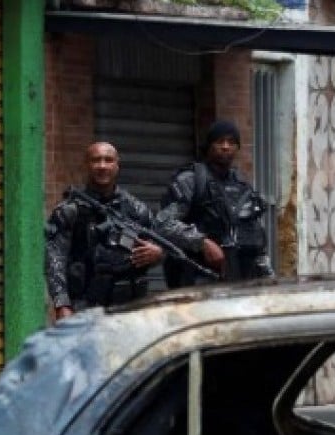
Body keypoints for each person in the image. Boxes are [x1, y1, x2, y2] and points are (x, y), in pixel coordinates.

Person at [44, 141, 164, 321]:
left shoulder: (136, 209)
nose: (102, 166)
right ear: (86, 165)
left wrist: (158, 254)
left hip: (129, 309)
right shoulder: (70, 210)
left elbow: (161, 245)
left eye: (108, 160)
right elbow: (55, 259)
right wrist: (62, 304)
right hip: (84, 309)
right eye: (96, 160)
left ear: (117, 165)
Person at [155, 120, 273, 286]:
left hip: (238, 281)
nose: (225, 147)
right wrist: (202, 243)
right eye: (220, 141)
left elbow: (256, 238)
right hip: (197, 280)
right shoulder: (191, 180)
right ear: (209, 146)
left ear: (238, 148)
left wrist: (268, 278)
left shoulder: (242, 186)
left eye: (231, 142)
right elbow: (163, 224)